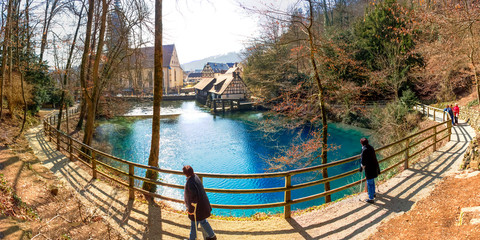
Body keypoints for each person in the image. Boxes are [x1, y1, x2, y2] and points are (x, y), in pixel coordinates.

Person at [183, 165, 217, 240]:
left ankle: (192, 239)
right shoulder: (195, 177)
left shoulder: (190, 183)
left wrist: (191, 210)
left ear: (185, 173)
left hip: (197, 209)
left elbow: (193, 198)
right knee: (203, 221)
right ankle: (212, 236)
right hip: (203, 205)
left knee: (194, 223)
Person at [359, 138, 381, 204]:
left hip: (369, 169)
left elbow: (363, 161)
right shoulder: (371, 147)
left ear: (361, 143)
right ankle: (373, 193)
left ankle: (371, 198)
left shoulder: (364, 150)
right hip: (374, 166)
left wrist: (361, 168)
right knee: (372, 181)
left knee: (369, 183)